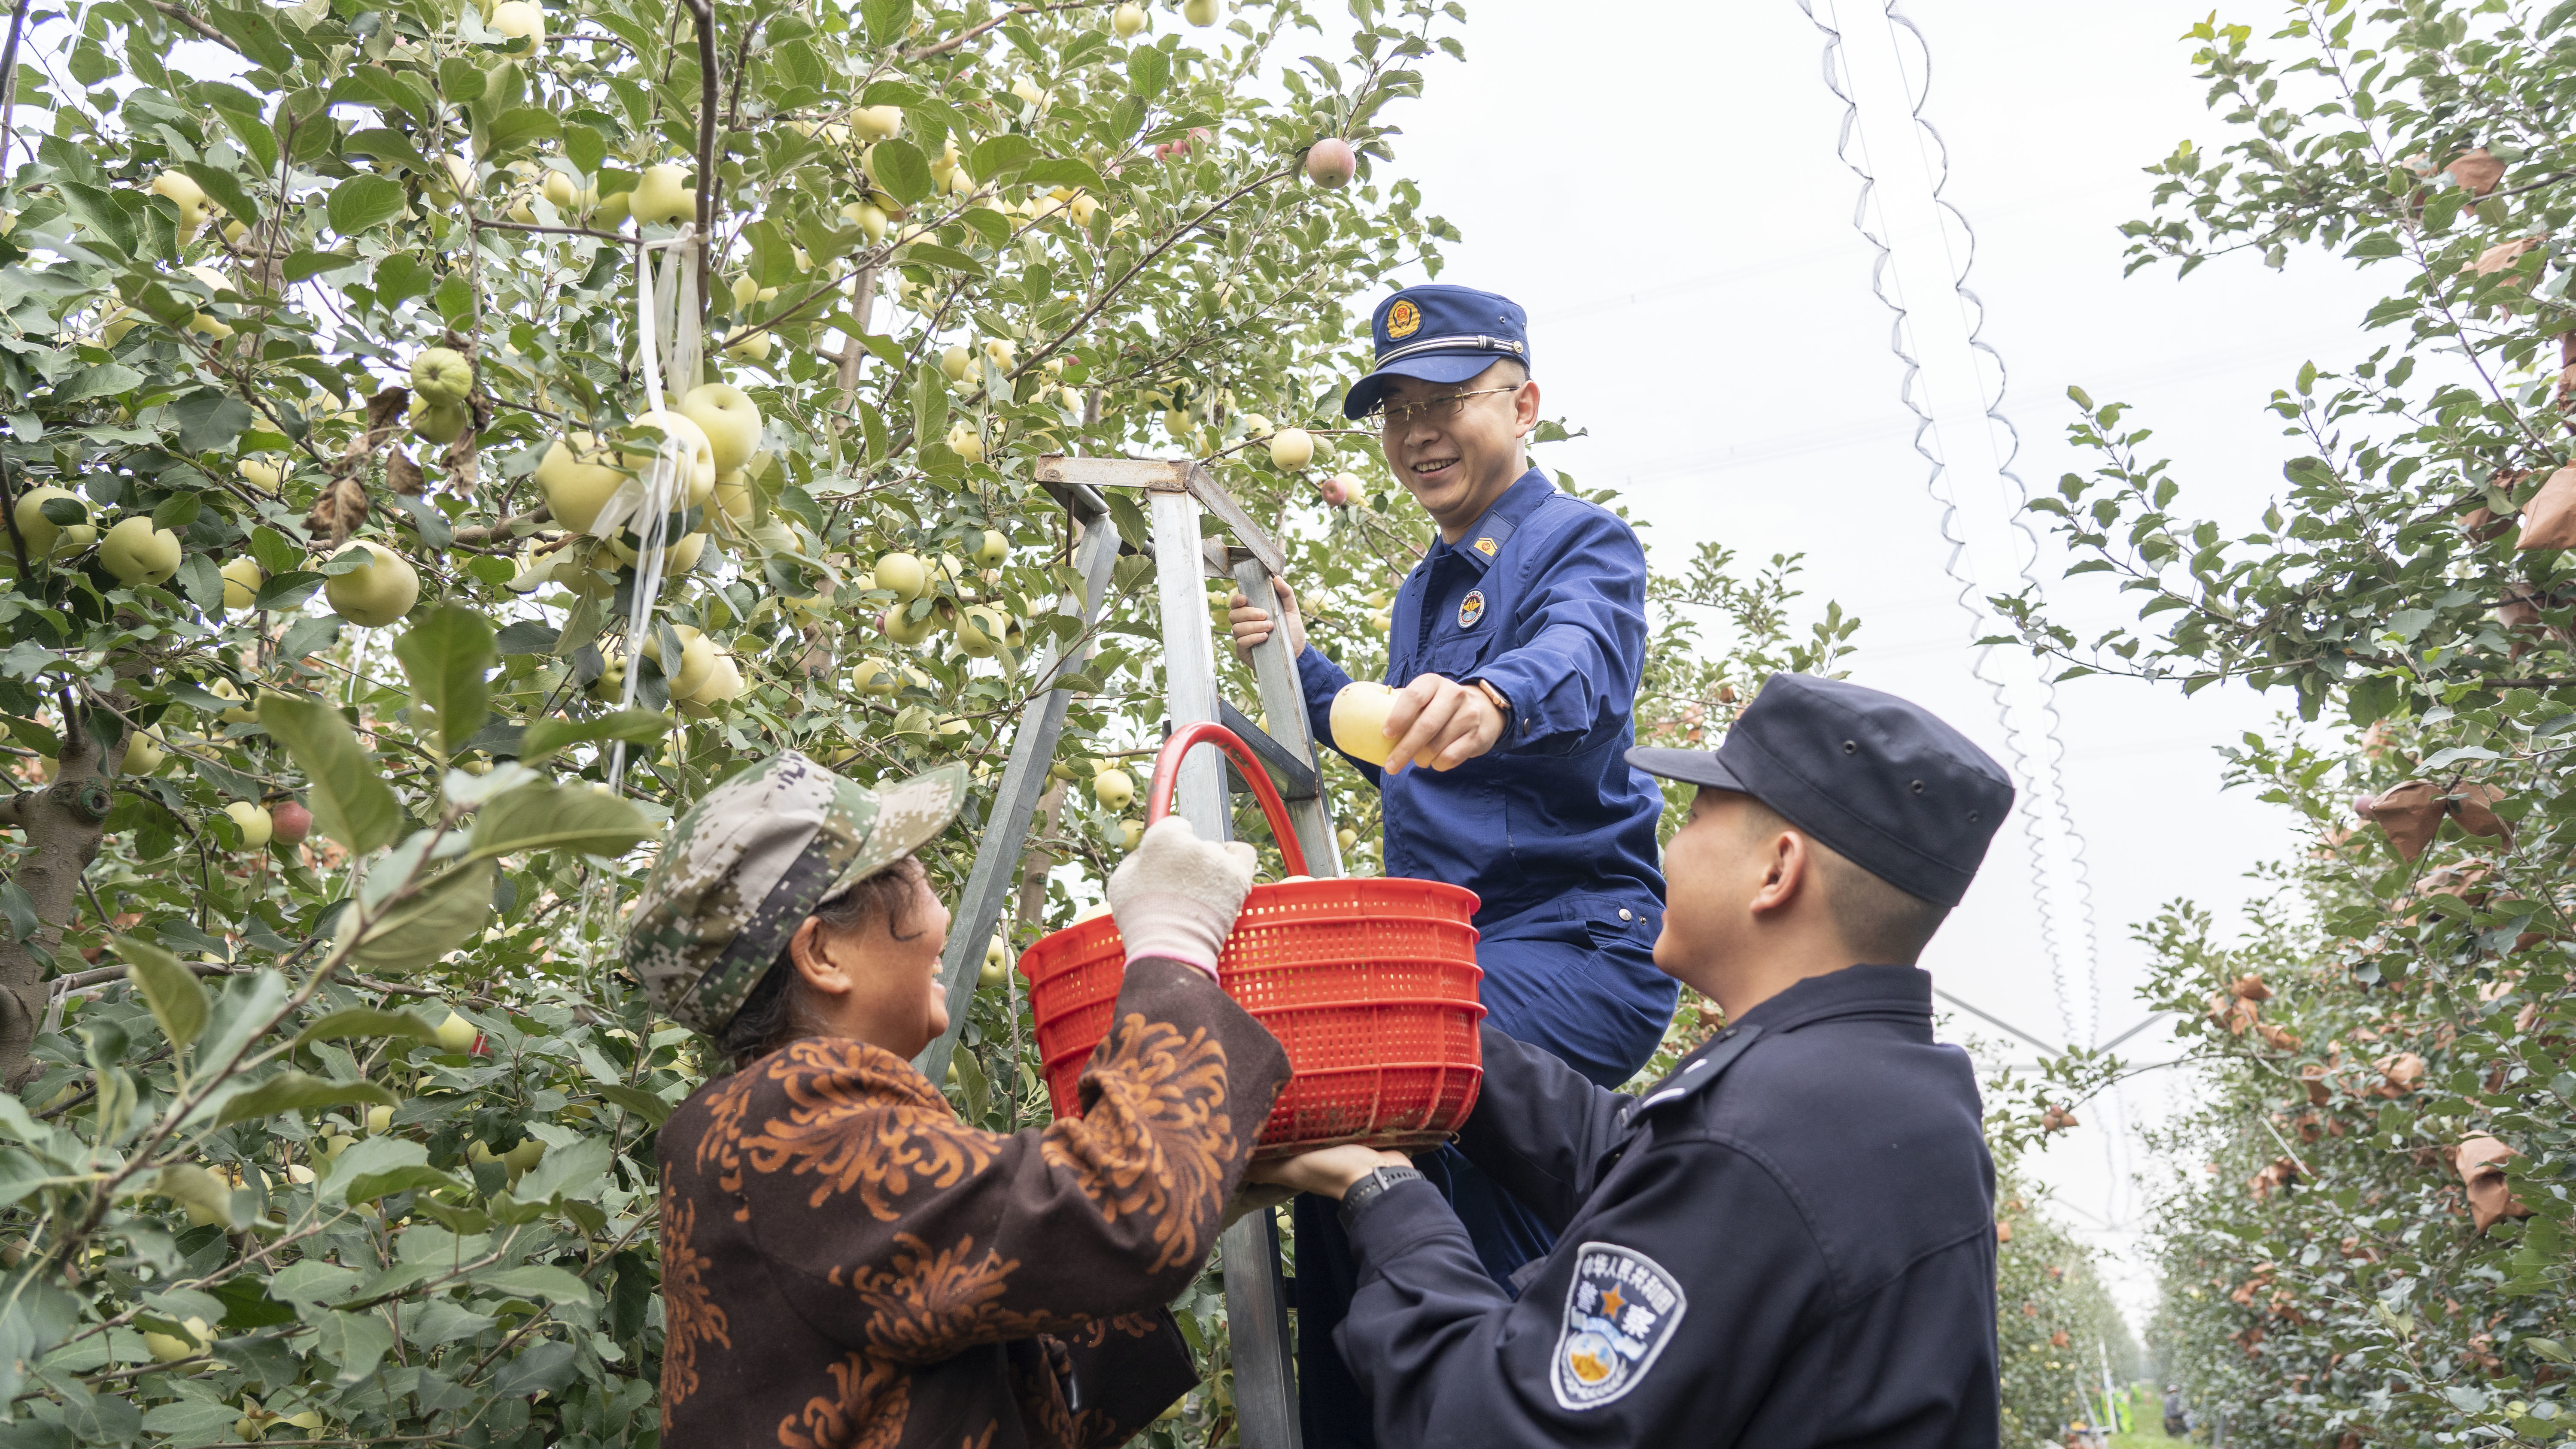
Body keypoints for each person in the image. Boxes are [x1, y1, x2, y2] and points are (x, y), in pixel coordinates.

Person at [1254, 673, 2014, 1447]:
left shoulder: (1767, 1132)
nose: (1668, 852)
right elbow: (1628, 1161)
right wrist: (1414, 1022)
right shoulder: (1881, 1093)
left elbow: (1499, 1426)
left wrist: (1382, 1193)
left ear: (1777, 871)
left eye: (1693, 820)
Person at [1228, 283, 1676, 1448]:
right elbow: (1405, 752)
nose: (1416, 432)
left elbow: (1577, 655)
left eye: (1447, 401)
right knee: (1348, 1153)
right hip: (1462, 963)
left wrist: (1497, 695)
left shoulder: (1580, 543)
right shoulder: (1422, 592)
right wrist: (1303, 666)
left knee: (1397, 1104)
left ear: (1524, 404)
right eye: (1394, 413)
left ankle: (1539, 1399)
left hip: (1573, 950)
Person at [631, 752, 1289, 1449]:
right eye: (908, 876)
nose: (939, 910)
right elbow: (1119, 1216)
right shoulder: (790, 1121)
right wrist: (1176, 942)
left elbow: (1015, 1386)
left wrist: (1201, 1176)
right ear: (822, 954)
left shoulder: (766, 1132)